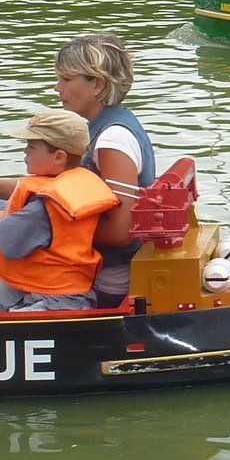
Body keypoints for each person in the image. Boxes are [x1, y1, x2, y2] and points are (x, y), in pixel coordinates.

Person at [0, 110, 118, 311]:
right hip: (70, 293)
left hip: (57, 304)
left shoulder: (44, 206)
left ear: (59, 157)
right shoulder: (75, 182)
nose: (24, 151)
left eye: (31, 147)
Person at [55, 34, 158, 305]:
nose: (57, 87)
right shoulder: (109, 123)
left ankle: (2, 313)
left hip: (109, 279)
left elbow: (121, 231)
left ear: (97, 85)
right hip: (102, 265)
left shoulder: (112, 139)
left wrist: (47, 231)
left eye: (66, 79)